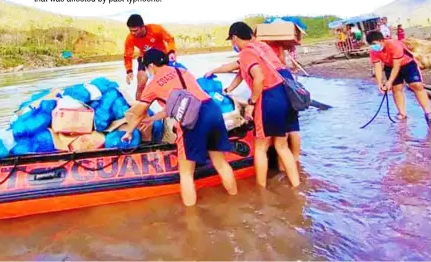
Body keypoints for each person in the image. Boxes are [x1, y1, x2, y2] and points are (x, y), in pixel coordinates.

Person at [120, 49, 238, 206]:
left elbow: (140, 113)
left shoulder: (152, 85)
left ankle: (192, 221)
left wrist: (128, 132)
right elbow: (185, 102)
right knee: (221, 163)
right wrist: (153, 118)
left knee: (186, 173)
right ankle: (236, 201)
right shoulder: (181, 71)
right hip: (212, 110)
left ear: (151, 66)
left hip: (192, 121)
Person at [224, 22, 301, 188]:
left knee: (261, 147)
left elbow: (258, 78)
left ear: (235, 37)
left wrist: (252, 102)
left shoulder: (246, 53)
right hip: (286, 95)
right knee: (281, 145)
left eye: (232, 40)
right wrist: (229, 88)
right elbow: (244, 72)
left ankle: (261, 191)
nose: (233, 44)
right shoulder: (262, 47)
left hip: (269, 98)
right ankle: (297, 186)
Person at [366, 31, 431, 125]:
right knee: (396, 88)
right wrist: (379, 83)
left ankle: (428, 112)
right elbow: (377, 66)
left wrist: (389, 81)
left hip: (407, 63)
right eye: (371, 45)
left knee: (416, 85)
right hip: (389, 66)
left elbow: (397, 66)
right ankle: (402, 113)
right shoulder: (374, 51)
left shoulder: (394, 44)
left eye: (374, 44)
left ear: (381, 41)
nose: (373, 47)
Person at [124, 14, 177, 101]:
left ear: (142, 27)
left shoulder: (156, 29)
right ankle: (139, 111)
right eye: (131, 31)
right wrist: (129, 70)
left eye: (135, 30)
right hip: (145, 58)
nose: (133, 33)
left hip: (161, 56)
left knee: (168, 84)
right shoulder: (130, 38)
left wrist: (171, 52)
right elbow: (127, 55)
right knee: (141, 84)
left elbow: (170, 39)